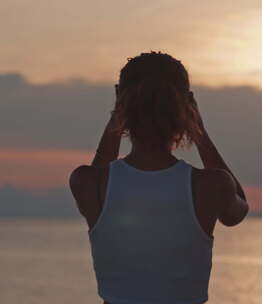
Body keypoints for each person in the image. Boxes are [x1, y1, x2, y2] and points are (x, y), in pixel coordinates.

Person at [69, 51, 249, 304]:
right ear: (186, 107)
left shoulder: (89, 182)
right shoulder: (212, 185)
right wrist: (199, 132)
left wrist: (119, 110)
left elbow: (101, 171)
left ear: (121, 101)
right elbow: (237, 211)